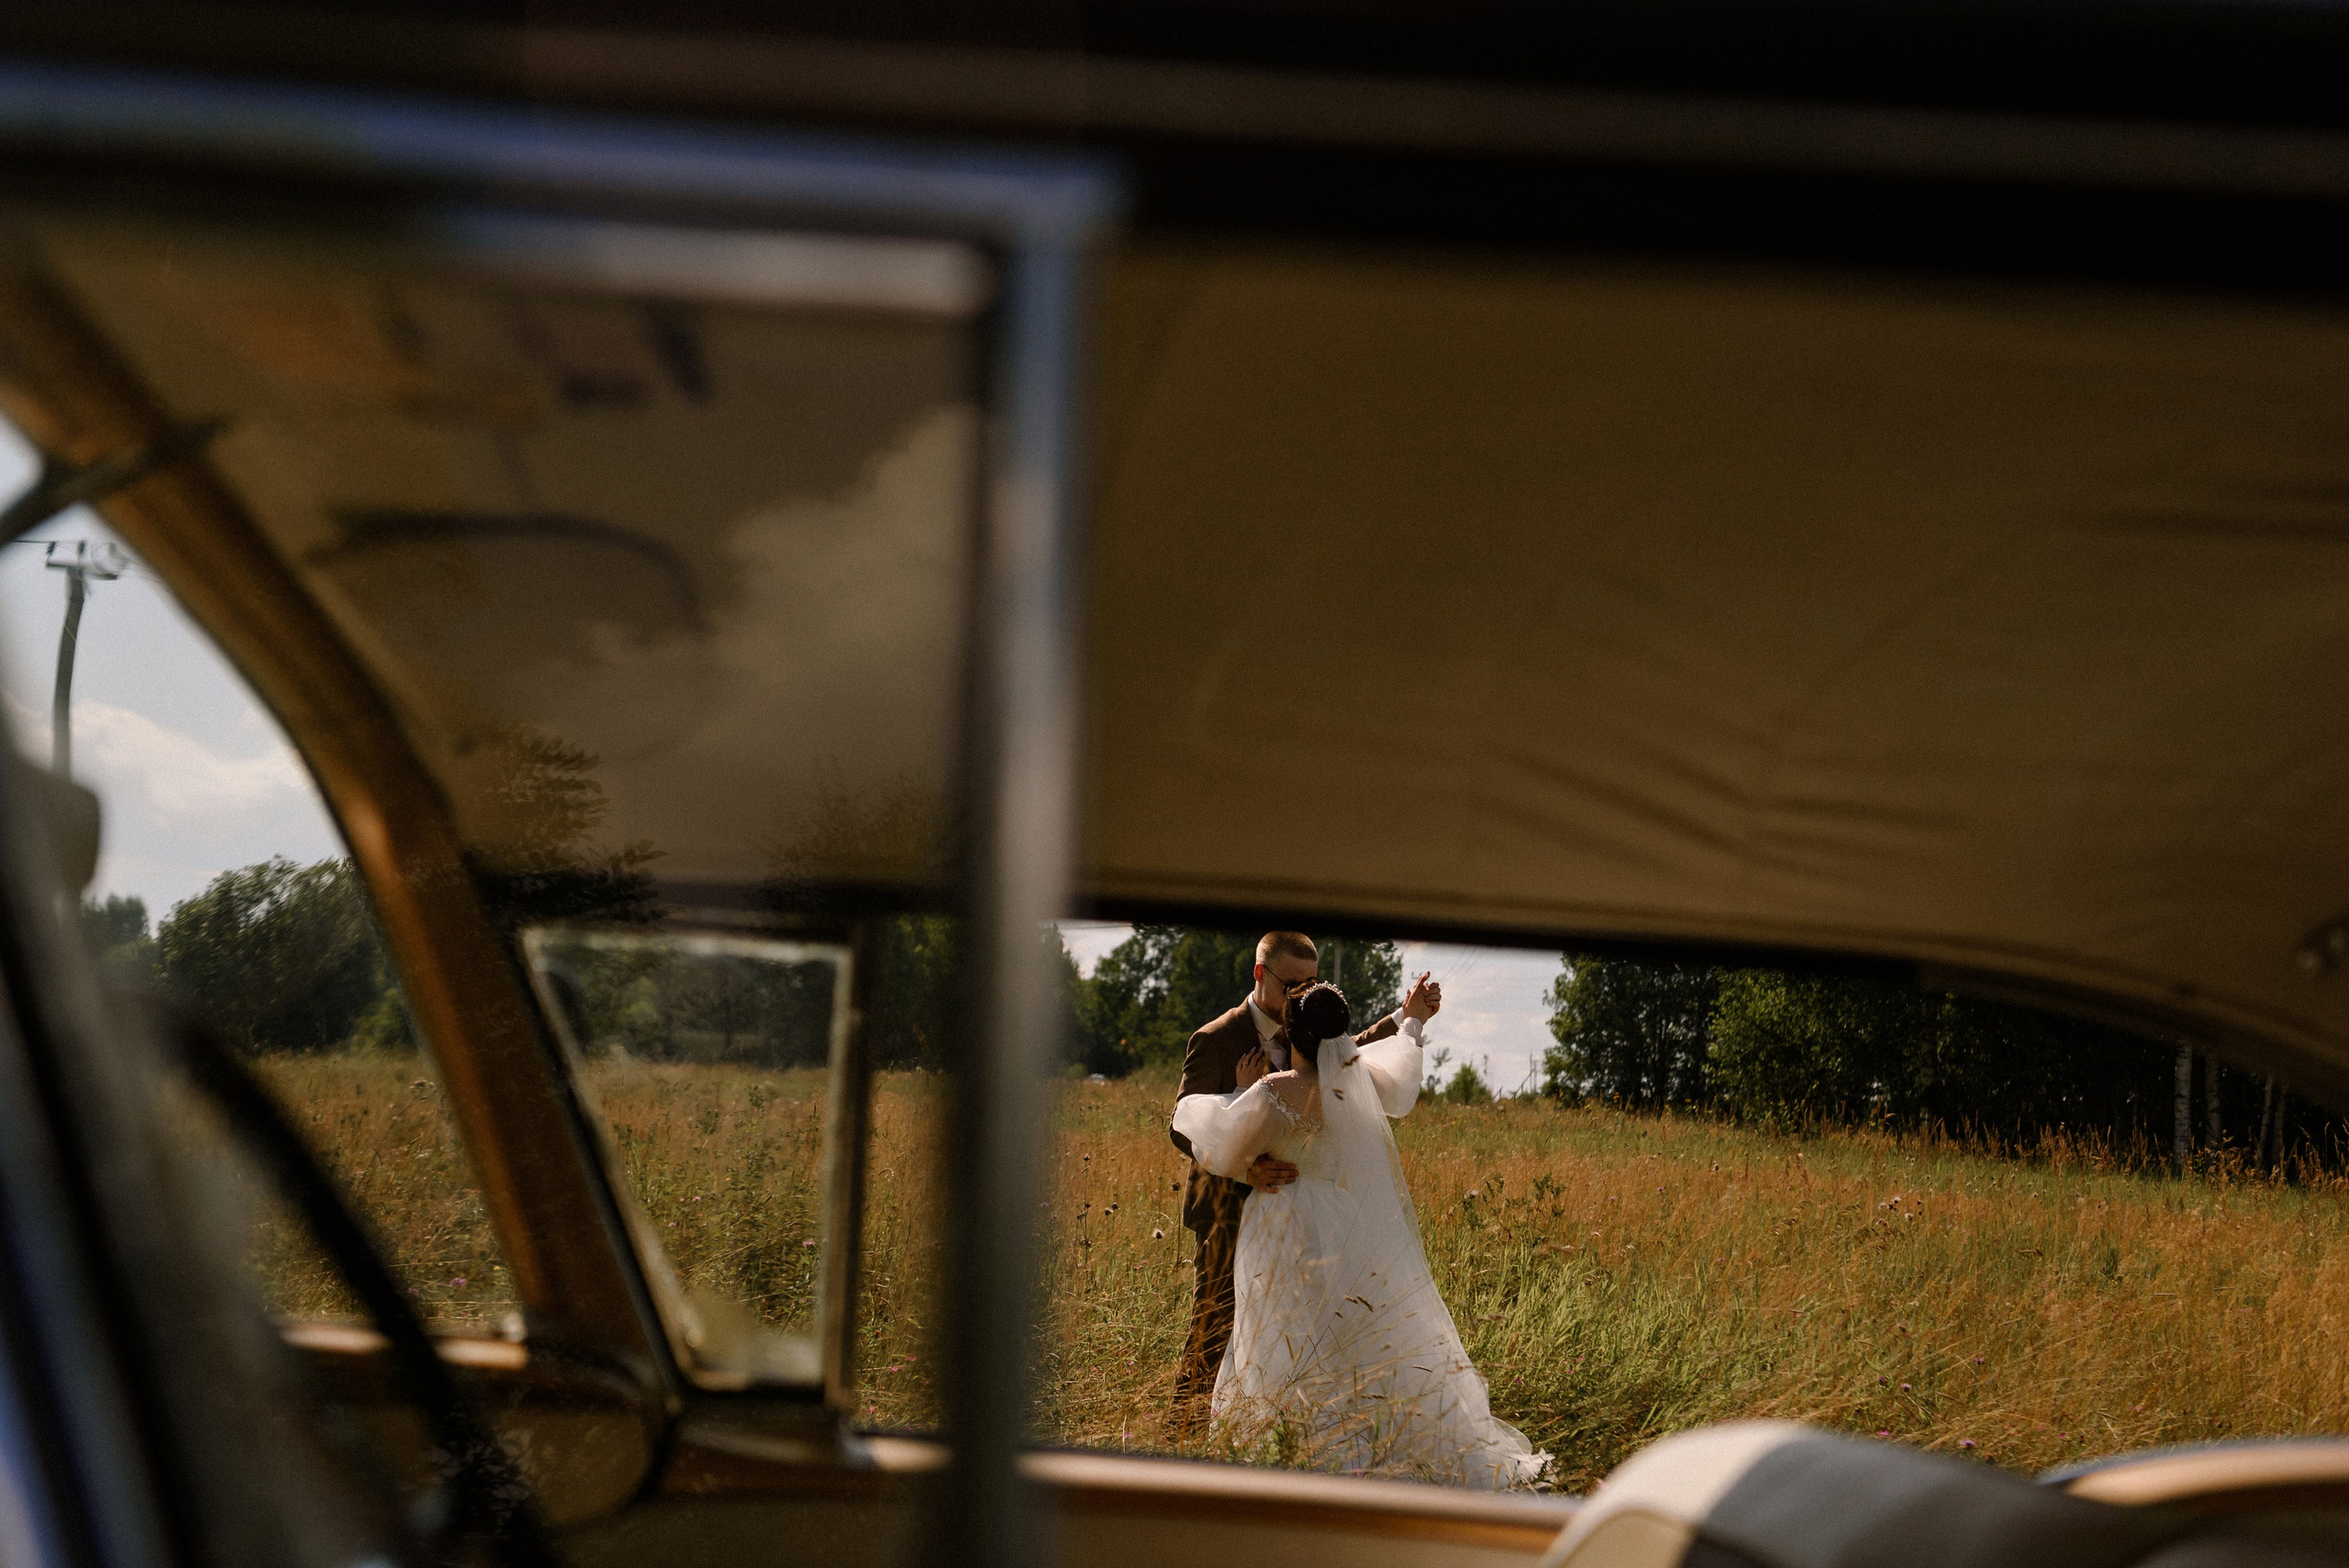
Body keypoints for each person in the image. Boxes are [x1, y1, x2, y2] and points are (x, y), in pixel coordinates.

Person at [1172, 975, 1548, 1488]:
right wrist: (1411, 1017)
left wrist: (1239, 1088)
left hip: (1283, 1223)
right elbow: (1402, 1064)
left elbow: (1220, 1144)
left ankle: (1287, 1452)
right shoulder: (1359, 1080)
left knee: (1280, 1336)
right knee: (1352, 1335)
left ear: (1288, 1032)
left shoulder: (1273, 1091)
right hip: (1343, 1221)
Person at [1167, 932, 1405, 1441]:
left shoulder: (1310, 1031)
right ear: (1260, 975)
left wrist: (1403, 1021)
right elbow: (1181, 1126)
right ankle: (1181, 1438)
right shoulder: (1216, 1038)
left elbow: (1349, 1051)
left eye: (1311, 983)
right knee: (1215, 1321)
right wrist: (1244, 1168)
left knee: (1291, 1330)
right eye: (1292, 983)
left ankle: (1274, 1432)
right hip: (1229, 1206)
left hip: (1298, 1217)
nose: (1301, 993)